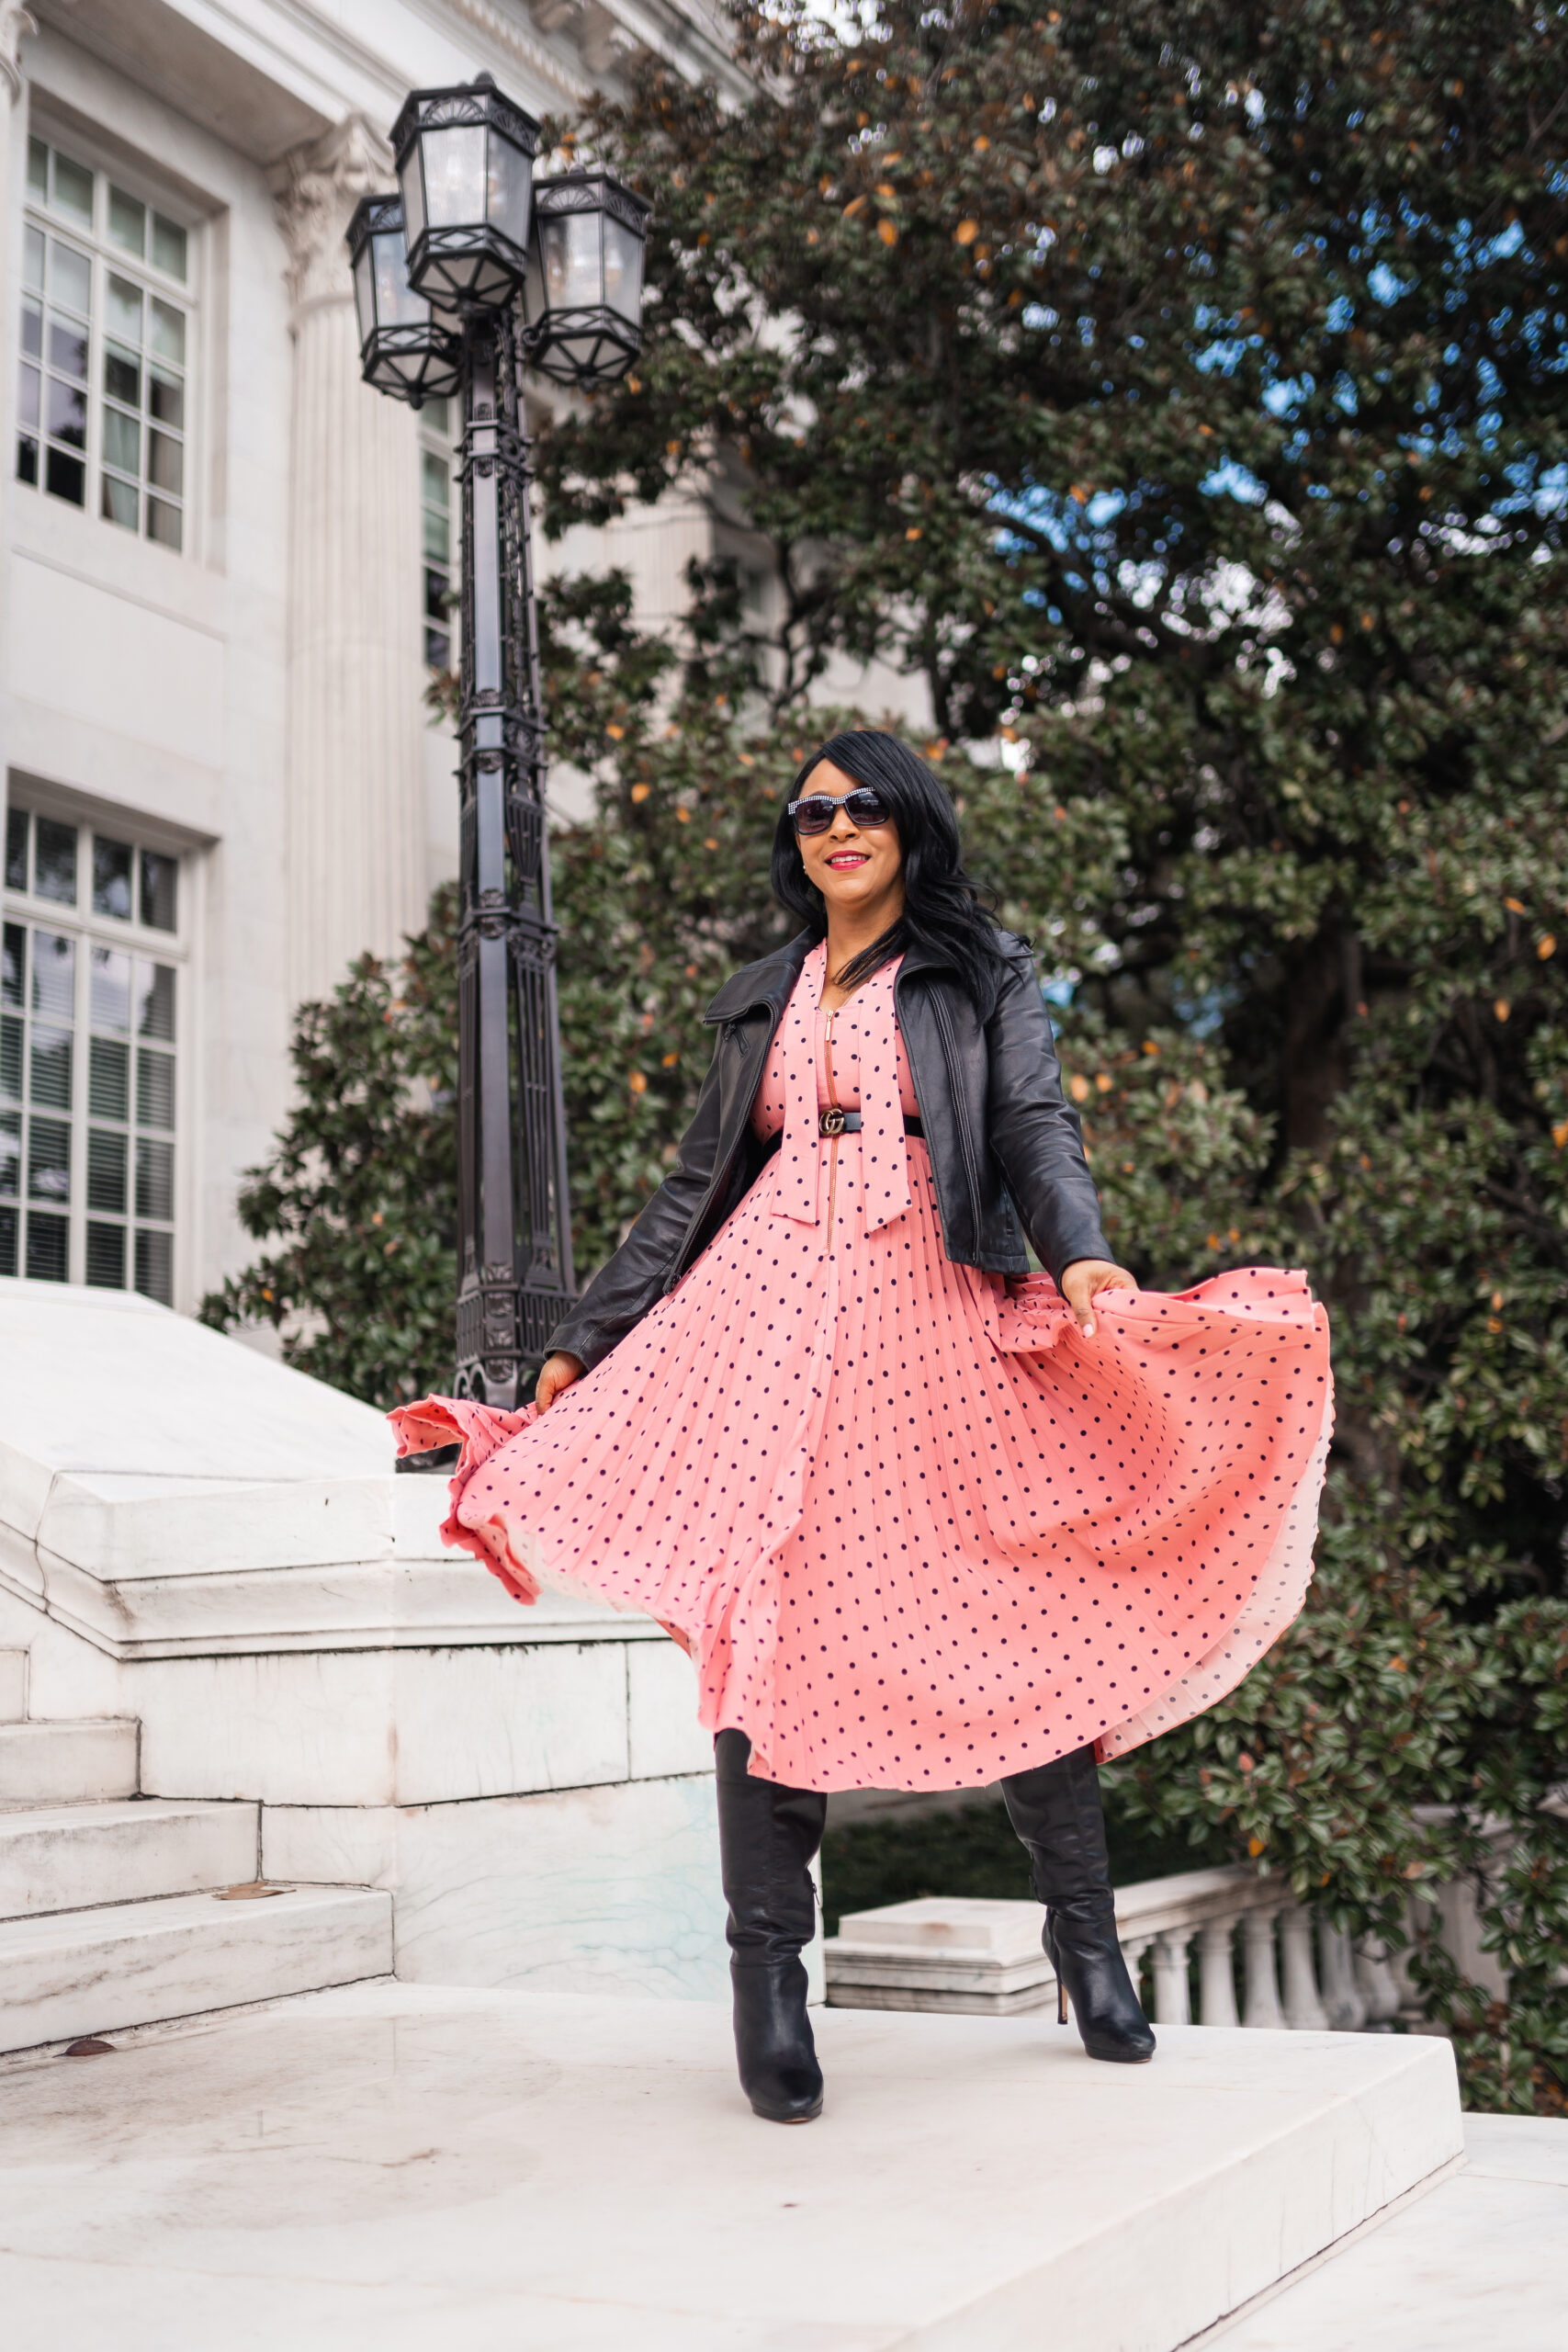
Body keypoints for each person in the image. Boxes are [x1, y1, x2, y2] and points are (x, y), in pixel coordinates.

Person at [391, 731, 1333, 2125]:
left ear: (910, 825)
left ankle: (1085, 1936)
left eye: (865, 805)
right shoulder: (760, 991)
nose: (839, 826)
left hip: (928, 1300)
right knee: (759, 1617)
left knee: (1003, 1616)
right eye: (815, 809)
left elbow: (1030, 1123)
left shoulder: (976, 968)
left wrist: (1081, 1260)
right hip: (765, 1306)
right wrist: (586, 1340)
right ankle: (767, 1981)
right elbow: (689, 1183)